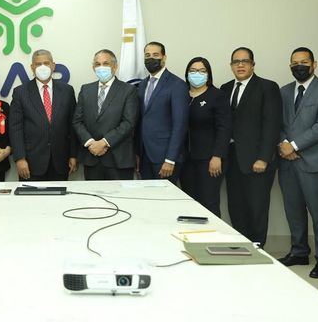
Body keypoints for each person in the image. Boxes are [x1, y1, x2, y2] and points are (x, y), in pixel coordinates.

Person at [277, 47, 318, 278]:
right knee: (293, 211)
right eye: (294, 62)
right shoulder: (283, 92)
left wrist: (292, 146)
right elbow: (277, 123)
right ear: (290, 66)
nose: (299, 66)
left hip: (313, 163)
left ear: (314, 64)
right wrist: (283, 144)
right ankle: (299, 251)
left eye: (304, 62)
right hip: (287, 162)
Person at [220, 47, 281, 247]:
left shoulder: (267, 87)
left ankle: (258, 249)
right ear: (231, 66)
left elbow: (272, 125)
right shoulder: (225, 88)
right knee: (236, 207)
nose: (240, 65)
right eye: (236, 61)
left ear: (253, 64)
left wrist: (263, 158)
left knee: (256, 208)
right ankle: (242, 248)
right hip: (232, 161)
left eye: (245, 61)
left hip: (257, 161)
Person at [9, 49, 77, 181]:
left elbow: (72, 125)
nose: (42, 67)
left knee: (60, 201)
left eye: (46, 63)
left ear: (53, 65)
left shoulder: (67, 90)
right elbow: (15, 128)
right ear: (32, 67)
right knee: (31, 201)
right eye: (38, 64)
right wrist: (20, 158)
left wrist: (73, 155)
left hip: (61, 162)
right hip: (30, 163)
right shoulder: (20, 92)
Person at [73, 49, 138, 180]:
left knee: (120, 199)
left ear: (115, 66)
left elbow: (129, 123)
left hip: (118, 160)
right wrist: (91, 143)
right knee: (93, 200)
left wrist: (104, 142)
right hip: (92, 158)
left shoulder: (128, 90)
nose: (101, 67)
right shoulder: (86, 89)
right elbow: (77, 121)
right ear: (93, 67)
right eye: (97, 64)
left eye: (105, 63)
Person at [179, 57, 231, 217]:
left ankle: (212, 240)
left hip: (209, 159)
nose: (197, 74)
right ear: (187, 74)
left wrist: (217, 156)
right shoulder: (181, 94)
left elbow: (224, 128)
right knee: (189, 202)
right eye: (193, 71)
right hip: (185, 159)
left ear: (208, 74)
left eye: (202, 71)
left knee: (209, 201)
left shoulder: (217, 95)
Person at [136, 42, 189, 183]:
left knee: (165, 202)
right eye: (147, 55)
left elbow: (180, 124)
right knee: (147, 201)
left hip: (165, 158)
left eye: (155, 55)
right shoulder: (142, 85)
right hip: (145, 155)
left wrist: (170, 159)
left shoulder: (177, 85)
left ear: (164, 57)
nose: (151, 58)